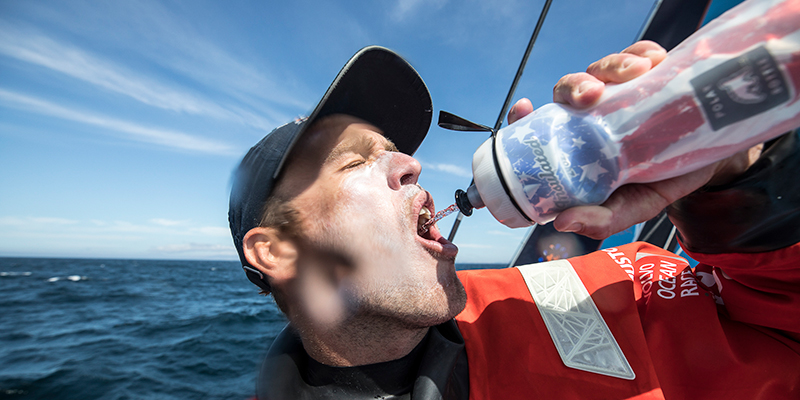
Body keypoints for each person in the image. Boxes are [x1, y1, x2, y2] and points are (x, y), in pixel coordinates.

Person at [228, 42, 800, 399]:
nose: (411, 162)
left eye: (394, 150)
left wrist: (740, 186)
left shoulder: (617, 281)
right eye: (355, 160)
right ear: (277, 253)